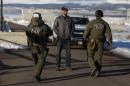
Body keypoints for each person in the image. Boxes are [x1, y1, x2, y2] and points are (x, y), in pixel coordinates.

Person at [83, 10, 112, 77]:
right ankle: (98, 71)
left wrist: (85, 38)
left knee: (90, 56)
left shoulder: (92, 22)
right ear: (101, 15)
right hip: (101, 42)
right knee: (99, 57)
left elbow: (86, 32)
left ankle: (93, 68)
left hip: (91, 42)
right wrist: (110, 42)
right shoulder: (105, 23)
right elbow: (109, 33)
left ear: (95, 15)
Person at [25, 12, 53, 82]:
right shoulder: (44, 26)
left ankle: (36, 73)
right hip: (42, 46)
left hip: (32, 46)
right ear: (40, 17)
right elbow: (50, 33)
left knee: (35, 61)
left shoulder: (29, 26)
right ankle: (37, 74)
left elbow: (27, 34)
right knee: (41, 61)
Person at [53, 6, 74, 71]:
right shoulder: (58, 18)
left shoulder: (70, 19)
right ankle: (57, 66)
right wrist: (58, 34)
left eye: (66, 10)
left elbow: (73, 27)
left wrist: (70, 34)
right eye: (64, 10)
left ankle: (68, 66)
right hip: (60, 38)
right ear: (61, 11)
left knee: (68, 53)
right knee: (58, 53)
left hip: (67, 39)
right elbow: (54, 27)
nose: (65, 11)